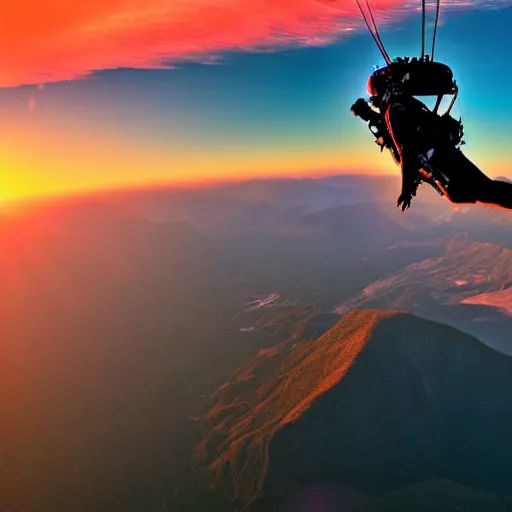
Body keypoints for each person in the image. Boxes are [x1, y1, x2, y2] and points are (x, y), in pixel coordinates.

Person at [351, 62, 512, 212]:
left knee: (478, 192)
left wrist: (406, 190)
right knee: (480, 191)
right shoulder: (401, 104)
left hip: (440, 159)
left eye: (373, 94)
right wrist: (368, 115)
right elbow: (398, 133)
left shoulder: (394, 110)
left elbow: (407, 151)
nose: (372, 100)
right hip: (443, 153)